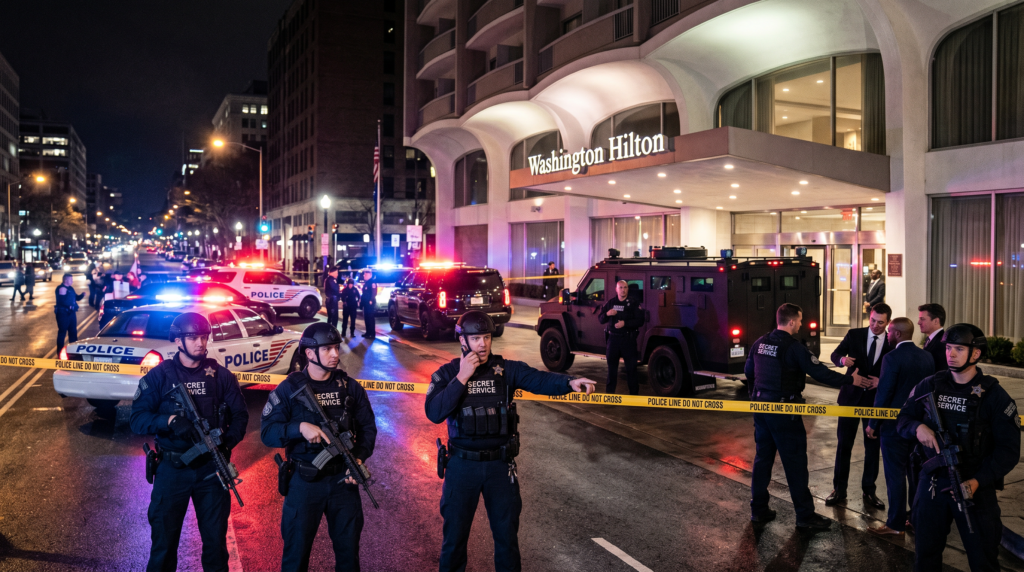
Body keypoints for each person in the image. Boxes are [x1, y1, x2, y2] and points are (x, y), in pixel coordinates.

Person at [425, 311, 597, 571]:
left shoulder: (505, 370)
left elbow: (539, 379)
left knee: (507, 541)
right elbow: (434, 412)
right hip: (462, 467)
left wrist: (569, 382)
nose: (483, 344)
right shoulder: (448, 373)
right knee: (454, 542)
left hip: (499, 467)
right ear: (462, 341)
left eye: (486, 337)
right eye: (476, 338)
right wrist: (462, 377)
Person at [129, 313, 249, 572]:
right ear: (178, 341)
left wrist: (226, 444)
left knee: (216, 547)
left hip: (211, 470)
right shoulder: (160, 376)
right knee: (163, 546)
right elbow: (137, 419)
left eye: (204, 337)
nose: (200, 343)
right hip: (172, 470)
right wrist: (169, 420)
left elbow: (240, 415)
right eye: (193, 337)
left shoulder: (220, 376)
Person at [897, 324, 1020, 571]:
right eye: (948, 348)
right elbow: (903, 419)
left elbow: (1008, 451)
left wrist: (977, 481)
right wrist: (917, 428)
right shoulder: (930, 384)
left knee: (983, 559)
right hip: (933, 482)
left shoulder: (994, 396)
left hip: (974, 486)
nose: (950, 354)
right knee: (925, 556)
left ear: (976, 353)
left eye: (959, 349)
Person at [746, 303, 875, 531]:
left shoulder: (760, 342)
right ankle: (805, 516)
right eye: (800, 320)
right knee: (795, 463)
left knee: (763, 459)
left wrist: (756, 396)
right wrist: (850, 380)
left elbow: (749, 372)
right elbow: (820, 373)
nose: (801, 324)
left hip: (761, 409)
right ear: (791, 321)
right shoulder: (794, 347)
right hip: (784, 412)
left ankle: (758, 510)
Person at [261, 322, 377, 572]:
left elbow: (368, 429)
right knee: (295, 557)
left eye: (336, 347)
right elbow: (268, 433)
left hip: (343, 481)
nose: (335, 354)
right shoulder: (289, 388)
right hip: (304, 483)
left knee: (348, 557)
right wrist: (299, 428)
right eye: (327, 349)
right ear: (310, 353)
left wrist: (358, 458)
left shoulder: (349, 387)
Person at [864, 317, 935, 536]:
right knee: (916, 475)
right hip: (919, 426)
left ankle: (895, 524)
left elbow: (884, 392)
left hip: (893, 427)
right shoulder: (927, 356)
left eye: (889, 332)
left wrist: (873, 423)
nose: (887, 335)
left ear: (896, 334)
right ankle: (915, 519)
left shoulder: (892, 357)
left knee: (895, 475)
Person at [826, 303, 891, 510]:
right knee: (844, 445)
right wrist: (842, 360)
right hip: (849, 399)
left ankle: (869, 491)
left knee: (872, 448)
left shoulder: (892, 341)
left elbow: (896, 371)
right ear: (869, 317)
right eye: (873, 320)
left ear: (888, 322)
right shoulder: (854, 335)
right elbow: (835, 355)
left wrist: (881, 381)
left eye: (880, 323)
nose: (875, 325)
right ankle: (839, 489)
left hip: (874, 402)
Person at [598, 280, 645, 395]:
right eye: (621, 287)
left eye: (625, 287)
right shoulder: (611, 303)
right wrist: (607, 314)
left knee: (631, 370)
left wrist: (625, 323)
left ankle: (634, 397)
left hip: (628, 340)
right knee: (611, 371)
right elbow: (600, 319)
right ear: (616, 289)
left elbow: (640, 321)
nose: (623, 290)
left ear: (628, 289)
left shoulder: (633, 303)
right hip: (613, 340)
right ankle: (609, 397)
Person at [54, 274, 86, 353]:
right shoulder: (61, 288)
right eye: (71, 280)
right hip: (63, 314)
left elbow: (77, 298)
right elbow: (62, 301)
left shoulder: (70, 288)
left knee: (73, 332)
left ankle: (73, 351)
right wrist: (70, 306)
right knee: (62, 333)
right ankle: (60, 352)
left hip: (71, 313)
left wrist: (82, 295)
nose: (72, 281)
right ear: (66, 280)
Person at [919, 303, 948, 372]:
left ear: (936, 321)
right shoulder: (929, 339)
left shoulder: (943, 342)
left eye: (922, 319)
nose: (919, 322)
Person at [359, 269, 376, 339]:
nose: (364, 276)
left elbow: (374, 292)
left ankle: (372, 333)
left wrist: (371, 300)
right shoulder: (366, 283)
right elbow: (364, 294)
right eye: (364, 274)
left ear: (369, 275)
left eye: (365, 274)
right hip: (365, 303)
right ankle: (368, 332)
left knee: (370, 318)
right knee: (366, 318)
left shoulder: (372, 282)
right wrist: (361, 302)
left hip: (370, 303)